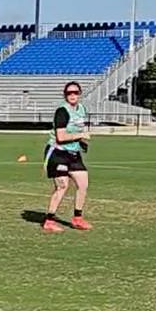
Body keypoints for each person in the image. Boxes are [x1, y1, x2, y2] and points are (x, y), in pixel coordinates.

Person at [42, 81, 93, 232]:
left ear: (80, 94)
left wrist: (81, 142)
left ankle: (78, 218)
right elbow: (61, 137)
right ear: (65, 95)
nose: (72, 95)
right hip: (58, 153)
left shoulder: (82, 109)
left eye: (75, 92)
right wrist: (81, 135)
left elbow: (78, 128)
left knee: (83, 184)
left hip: (73, 154)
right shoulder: (62, 112)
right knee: (62, 186)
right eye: (69, 93)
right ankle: (49, 221)